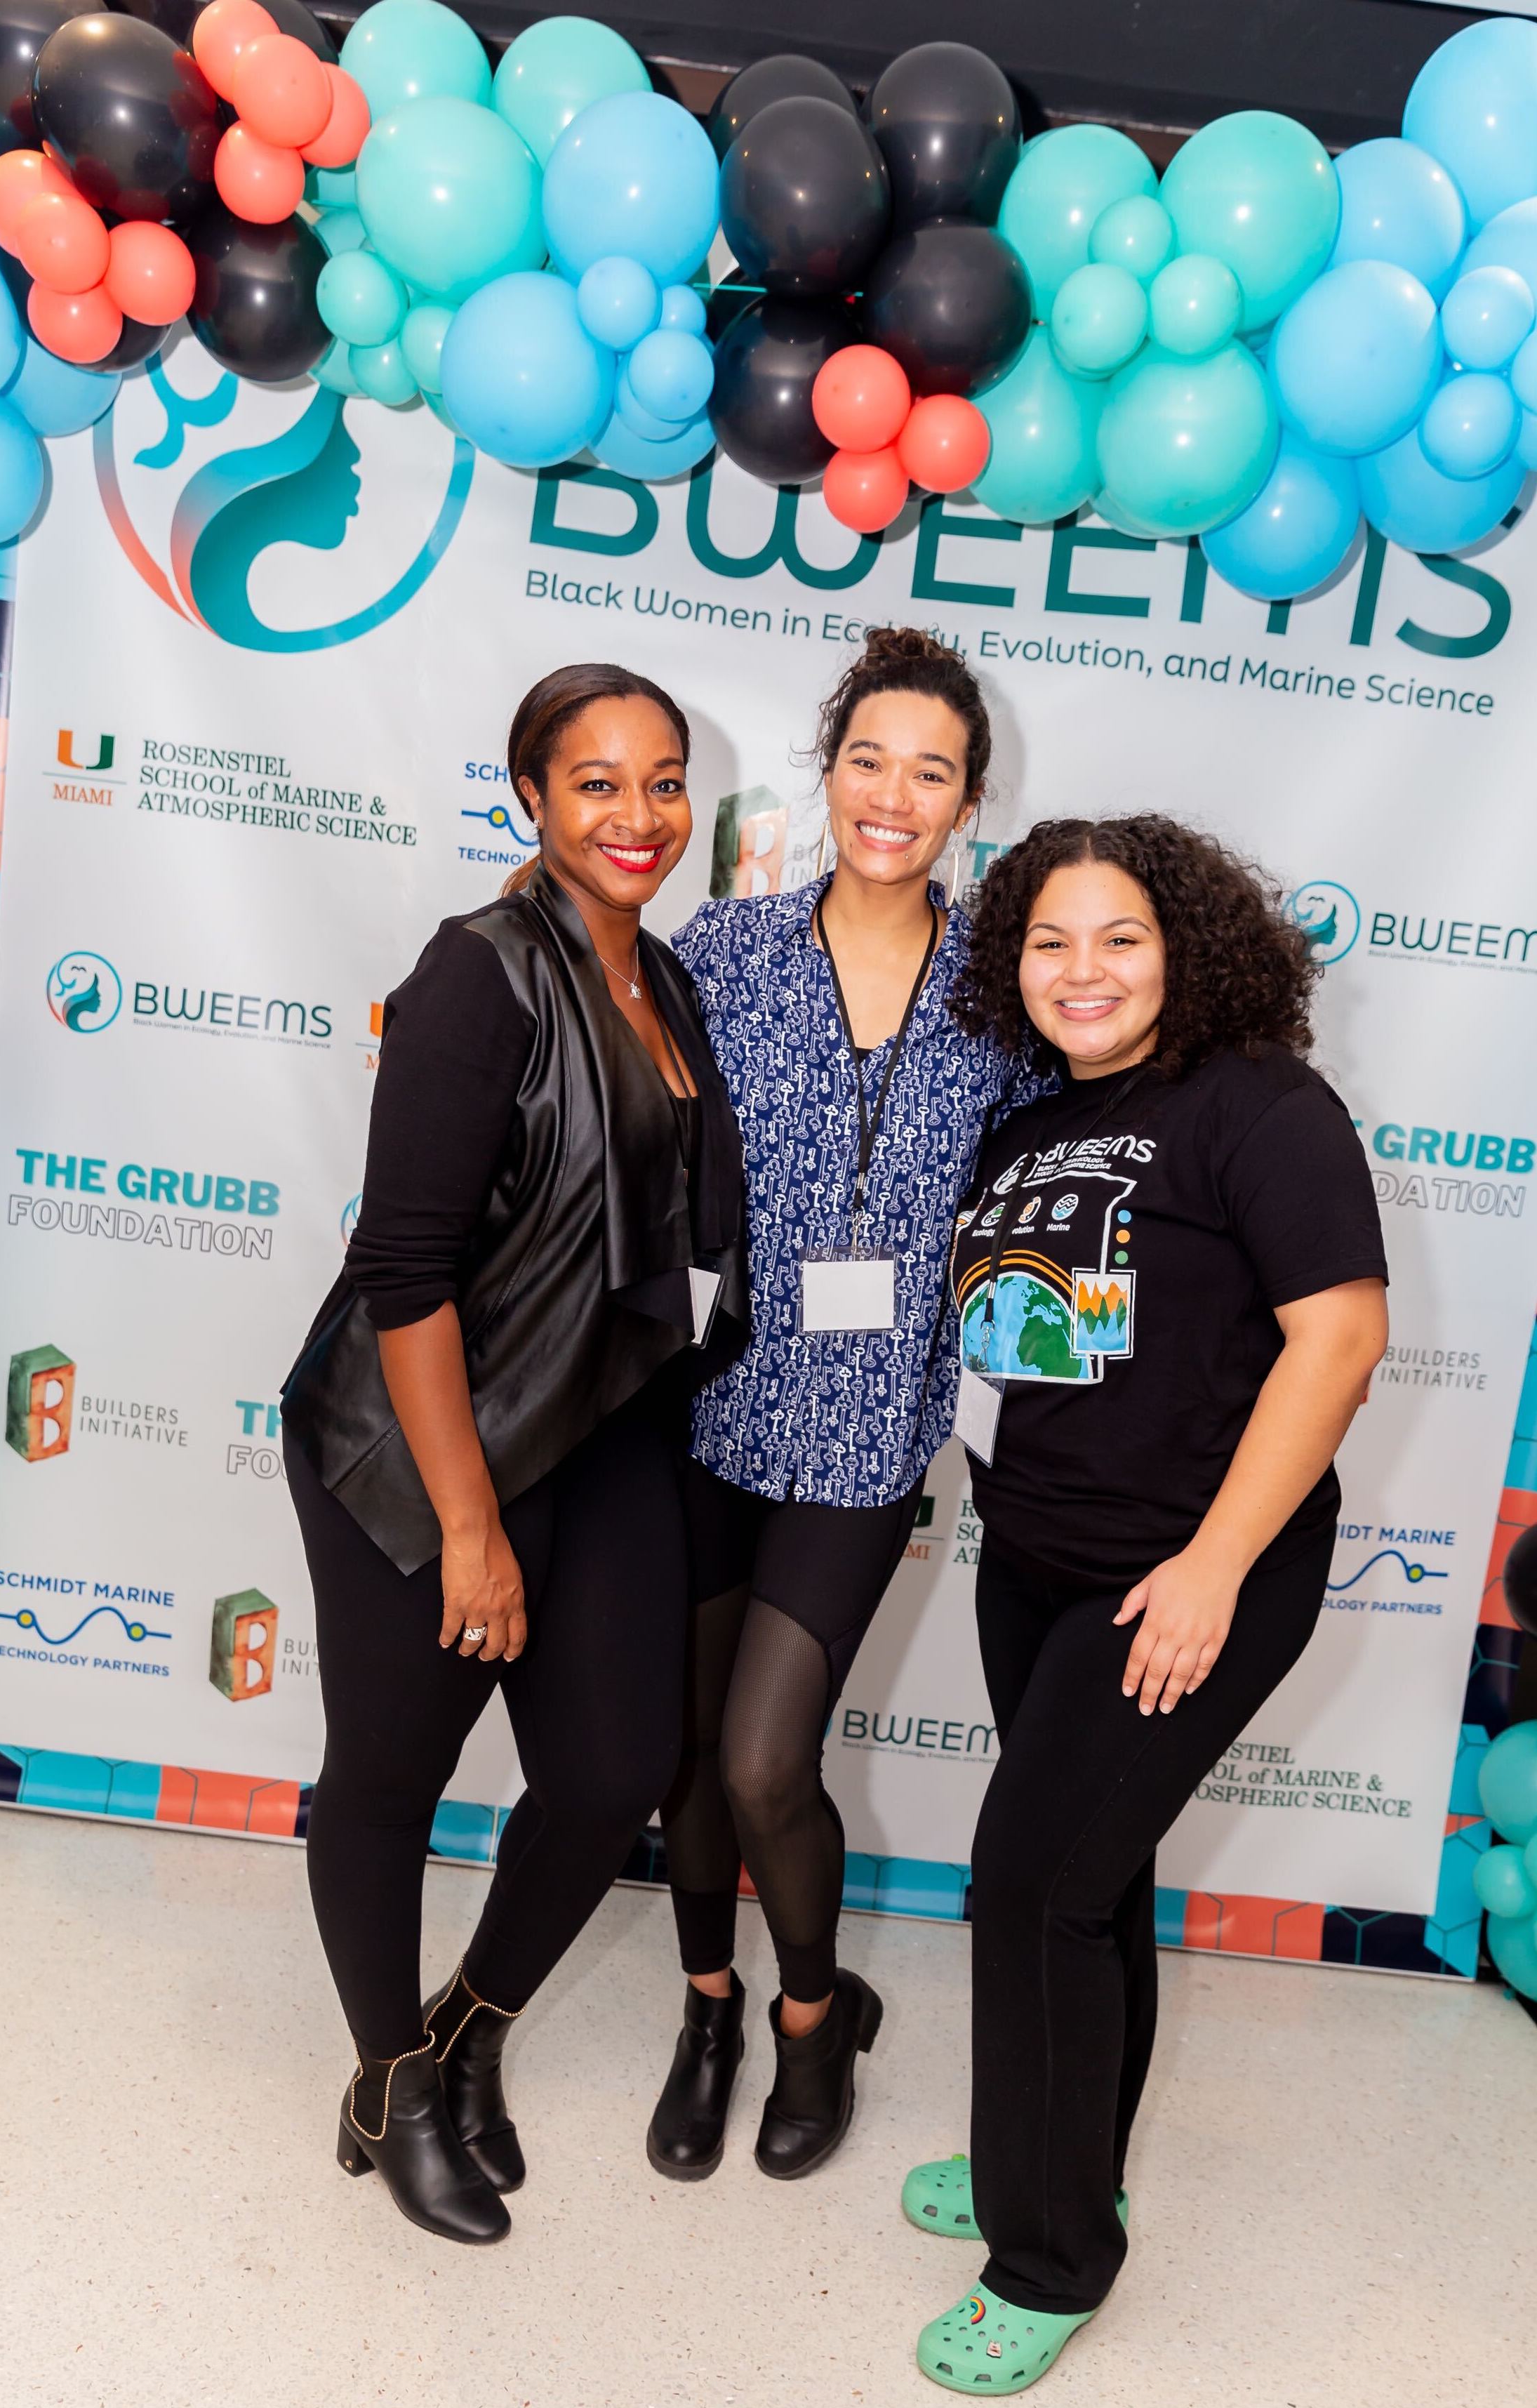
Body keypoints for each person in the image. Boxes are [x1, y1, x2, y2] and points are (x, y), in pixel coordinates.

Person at [903, 815, 1389, 2392]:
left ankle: (1048, 2255)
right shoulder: (1029, 1126)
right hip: (1037, 1558)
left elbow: (1338, 1342)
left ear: (1184, 946)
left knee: (1029, 1887)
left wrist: (1209, 1569)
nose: (1082, 970)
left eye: (1119, 937)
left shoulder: (1261, 1106)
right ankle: (1058, 2153)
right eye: (1050, 941)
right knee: (1086, 1885)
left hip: (1187, 1572)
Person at [280, 663, 745, 2246]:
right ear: (531, 799)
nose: (638, 814)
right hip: (416, 1442)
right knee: (392, 1776)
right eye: (598, 781)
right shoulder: (480, 974)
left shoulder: (662, 980)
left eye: (665, 779)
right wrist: (470, 1528)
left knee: (615, 1769)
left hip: (593, 1423)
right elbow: (406, 1272)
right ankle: (389, 2084)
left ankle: (470, 2030)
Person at [646, 628, 1051, 2184]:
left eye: (931, 771)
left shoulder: (1006, 988)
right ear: (830, 772)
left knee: (763, 1759)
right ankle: (706, 2009)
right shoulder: (729, 950)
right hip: (709, 1405)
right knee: (687, 1753)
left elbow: (1050, 1197)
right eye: (869, 759)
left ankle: (816, 2016)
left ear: (969, 801)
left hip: (871, 1435)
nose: (894, 793)